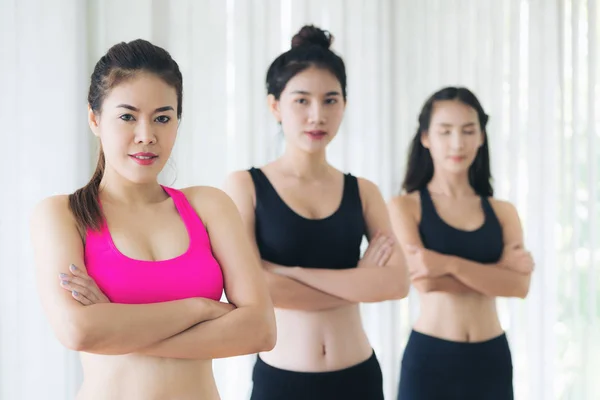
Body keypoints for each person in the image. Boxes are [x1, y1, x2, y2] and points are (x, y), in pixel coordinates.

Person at [30, 39, 276, 400]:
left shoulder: (210, 206)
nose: (146, 136)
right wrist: (200, 308)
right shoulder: (62, 215)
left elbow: (260, 331)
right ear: (94, 118)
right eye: (127, 116)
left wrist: (118, 326)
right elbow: (78, 331)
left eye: (162, 117)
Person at [223, 25, 409, 400]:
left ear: (344, 104)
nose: (317, 115)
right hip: (283, 381)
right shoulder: (245, 186)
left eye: (330, 100)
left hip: (358, 378)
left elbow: (396, 283)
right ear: (275, 105)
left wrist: (291, 273)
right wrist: (358, 281)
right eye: (302, 100)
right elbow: (250, 289)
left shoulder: (364, 191)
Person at [388, 87, 534, 400]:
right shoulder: (405, 207)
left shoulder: (503, 211)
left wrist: (448, 264)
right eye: (445, 131)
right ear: (426, 138)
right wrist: (496, 274)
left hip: (491, 358)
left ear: (481, 137)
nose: (458, 143)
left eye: (469, 131)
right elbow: (425, 281)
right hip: (431, 359)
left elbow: (519, 287)